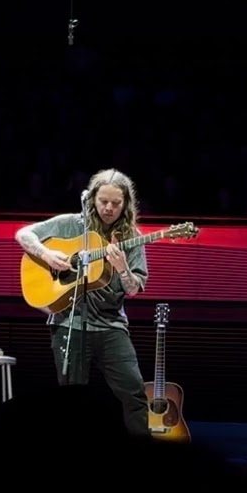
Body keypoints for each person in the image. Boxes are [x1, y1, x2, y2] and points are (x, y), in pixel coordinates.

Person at [14, 169, 150, 436]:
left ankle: (142, 456)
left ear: (125, 205)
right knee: (72, 399)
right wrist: (47, 254)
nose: (109, 208)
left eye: (116, 203)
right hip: (70, 322)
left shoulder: (132, 237)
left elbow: (134, 289)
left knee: (134, 392)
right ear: (92, 200)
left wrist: (123, 269)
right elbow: (23, 234)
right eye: (103, 202)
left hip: (112, 326)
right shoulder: (71, 225)